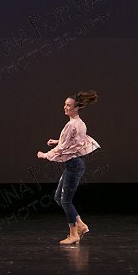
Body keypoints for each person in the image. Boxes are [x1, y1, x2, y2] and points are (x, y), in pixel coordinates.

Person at [37, 91, 101, 245]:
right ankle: (81, 225)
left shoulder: (71, 125)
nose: (65, 107)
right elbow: (74, 142)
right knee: (58, 198)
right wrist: (57, 141)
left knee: (65, 200)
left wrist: (45, 155)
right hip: (74, 165)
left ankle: (74, 234)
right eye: (65, 104)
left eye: (68, 105)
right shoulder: (80, 123)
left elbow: (64, 148)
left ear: (76, 107)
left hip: (74, 165)